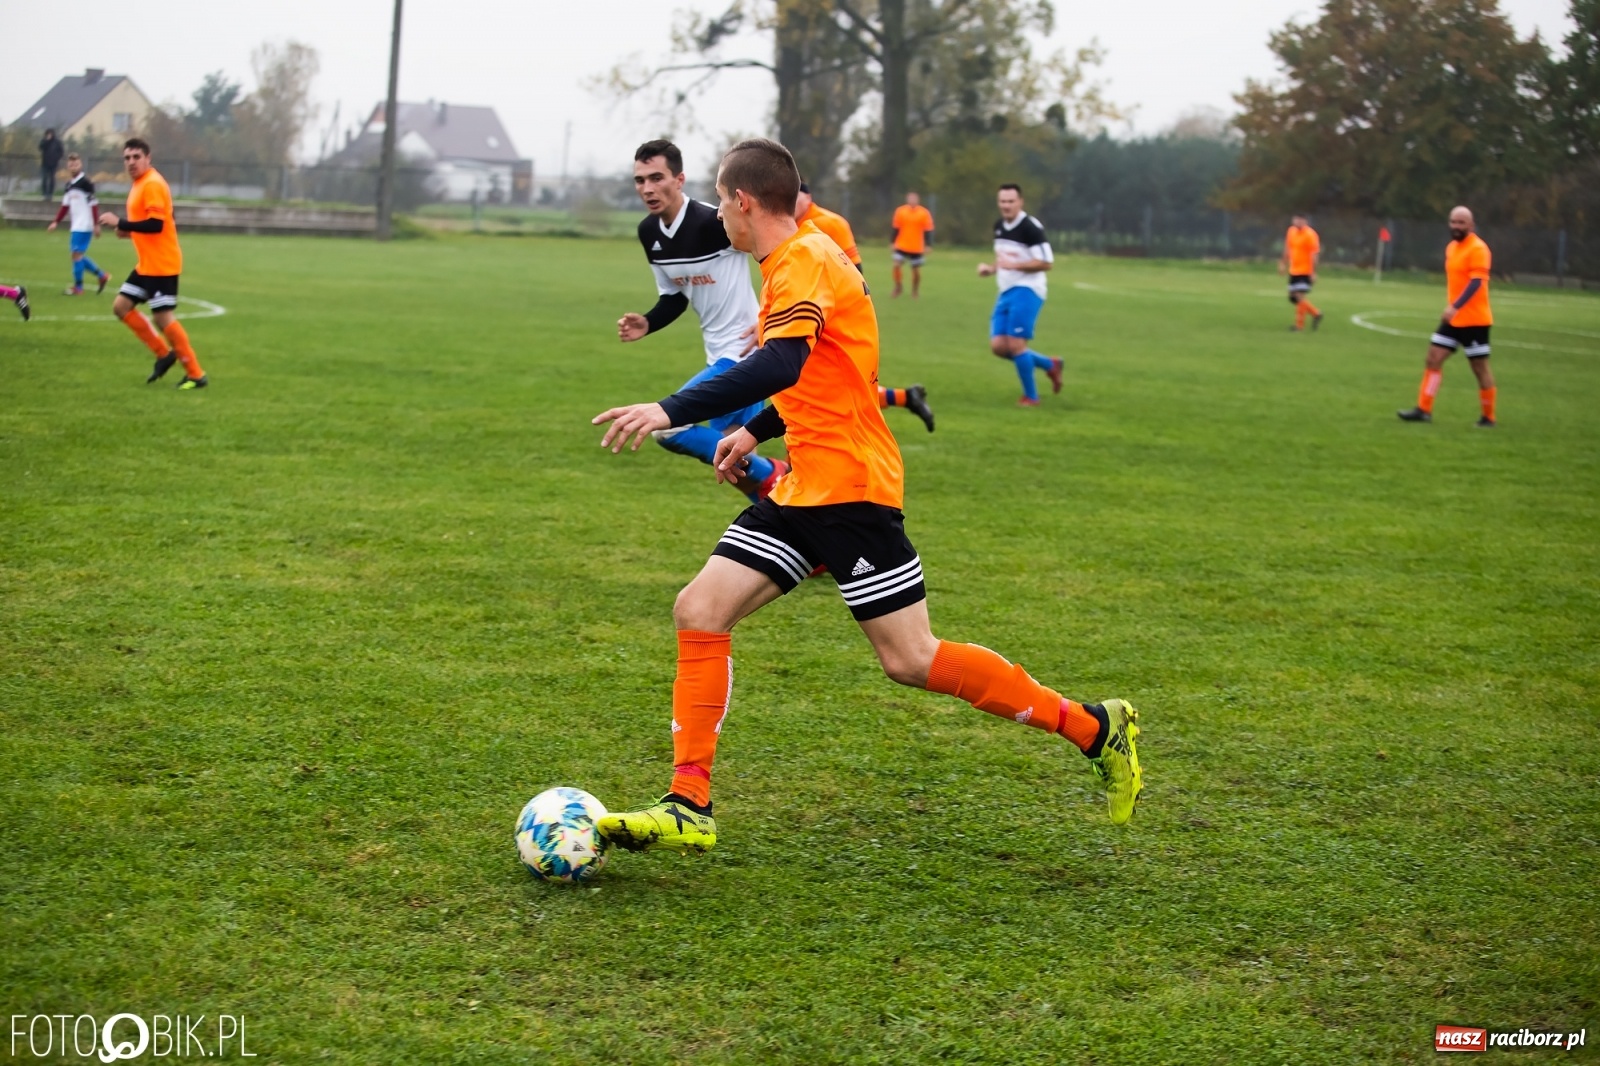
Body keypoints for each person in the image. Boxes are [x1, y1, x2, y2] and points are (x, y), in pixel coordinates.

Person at [590, 138, 1143, 855]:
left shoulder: (807, 260)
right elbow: (816, 379)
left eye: (722, 202)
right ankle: (688, 802)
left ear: (743, 203)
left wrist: (672, 409)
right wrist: (754, 434)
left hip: (851, 490)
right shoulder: (786, 266)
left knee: (910, 659)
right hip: (801, 487)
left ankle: (1095, 727)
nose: (718, 215)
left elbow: (780, 361)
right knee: (699, 609)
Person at [618, 139, 784, 501]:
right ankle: (800, 539)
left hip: (742, 353)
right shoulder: (649, 233)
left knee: (669, 429)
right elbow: (675, 294)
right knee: (741, 469)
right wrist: (648, 322)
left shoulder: (715, 221)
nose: (648, 188)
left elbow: (780, 254)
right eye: (640, 180)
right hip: (718, 355)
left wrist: (770, 316)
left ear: (679, 179)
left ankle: (778, 474)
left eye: (657, 177)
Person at [796, 181, 935, 433]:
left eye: (794, 195)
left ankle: (792, 464)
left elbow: (854, 272)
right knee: (829, 389)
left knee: (820, 391)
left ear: (807, 197)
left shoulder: (830, 223)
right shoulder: (784, 226)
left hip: (831, 317)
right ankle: (906, 397)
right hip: (805, 314)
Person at [97, 139, 207, 389]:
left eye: (136, 157)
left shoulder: (152, 184)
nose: (131, 162)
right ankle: (163, 354)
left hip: (161, 264)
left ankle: (196, 374)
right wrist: (129, 232)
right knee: (121, 306)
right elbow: (156, 222)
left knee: (162, 318)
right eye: (127, 158)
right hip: (147, 263)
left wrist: (122, 224)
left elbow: (156, 224)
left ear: (148, 158)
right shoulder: (139, 184)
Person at [1398, 206, 1497, 427]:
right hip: (1454, 320)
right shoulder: (1452, 248)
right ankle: (1423, 409)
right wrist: (1453, 311)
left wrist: (1455, 306)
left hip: (1475, 320)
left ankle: (1488, 417)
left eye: (1461, 223)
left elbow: (1476, 282)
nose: (1456, 226)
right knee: (1433, 358)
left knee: (1479, 368)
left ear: (1471, 225)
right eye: (1453, 222)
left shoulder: (1479, 248)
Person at [977, 184, 1062, 406]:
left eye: (1011, 201)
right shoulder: (999, 226)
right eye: (1002, 201)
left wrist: (1015, 265)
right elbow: (1005, 258)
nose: (1006, 205)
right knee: (998, 347)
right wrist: (991, 268)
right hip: (1005, 291)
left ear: (1020, 202)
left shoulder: (1030, 227)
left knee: (1015, 345)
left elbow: (1046, 262)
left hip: (1028, 289)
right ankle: (1050, 365)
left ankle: (1031, 397)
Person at [48, 154, 110, 296]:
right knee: (78, 255)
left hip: (85, 224)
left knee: (76, 255)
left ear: (80, 165)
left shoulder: (86, 183)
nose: (73, 166)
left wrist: (96, 224)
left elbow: (93, 204)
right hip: (76, 225)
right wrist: (55, 222)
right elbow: (65, 206)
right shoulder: (69, 185)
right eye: (71, 164)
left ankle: (78, 288)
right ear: (68, 166)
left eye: (75, 164)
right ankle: (101, 275)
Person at [1280, 215, 1323, 331]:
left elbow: (1314, 255)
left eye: (1300, 219)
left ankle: (1299, 326)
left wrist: (1313, 272)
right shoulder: (1291, 231)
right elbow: (1288, 248)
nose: (1298, 222)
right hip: (1294, 269)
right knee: (1293, 297)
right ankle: (1316, 313)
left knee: (1299, 296)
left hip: (1305, 270)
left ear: (1305, 221)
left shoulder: (1310, 235)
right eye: (1296, 219)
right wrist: (1283, 263)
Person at [889, 191, 934, 298]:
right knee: (896, 265)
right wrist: (892, 242)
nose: (912, 201)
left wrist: (928, 245)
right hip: (901, 244)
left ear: (918, 200)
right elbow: (896, 228)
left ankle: (915, 291)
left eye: (914, 199)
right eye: (910, 198)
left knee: (916, 271)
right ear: (907, 200)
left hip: (916, 247)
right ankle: (898, 287)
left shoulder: (924, 213)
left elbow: (928, 230)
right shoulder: (900, 211)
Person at [39, 129, 64, 200]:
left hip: (53, 164)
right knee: (44, 178)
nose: (49, 135)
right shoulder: (44, 141)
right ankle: (44, 194)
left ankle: (50, 194)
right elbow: (41, 147)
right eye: (48, 134)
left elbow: (61, 151)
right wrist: (47, 141)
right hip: (45, 163)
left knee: (52, 179)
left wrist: (57, 158)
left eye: (50, 134)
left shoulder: (57, 142)